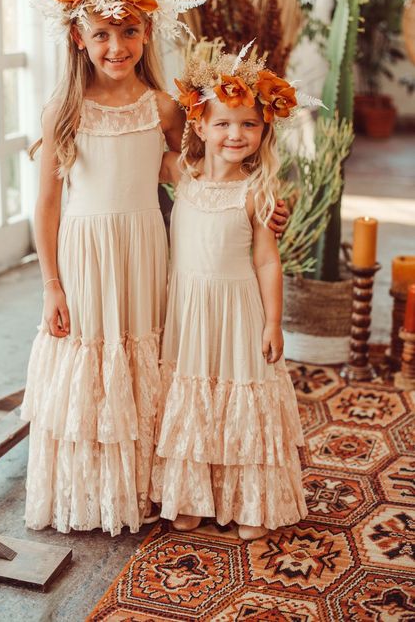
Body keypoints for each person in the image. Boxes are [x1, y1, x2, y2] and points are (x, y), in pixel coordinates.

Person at [21, 0, 288, 537]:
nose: (117, 46)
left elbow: (201, 172)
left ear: (146, 35)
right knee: (93, 361)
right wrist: (51, 284)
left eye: (129, 32)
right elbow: (45, 205)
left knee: (148, 359)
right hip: (86, 256)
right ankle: (94, 493)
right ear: (79, 38)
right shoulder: (62, 112)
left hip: (145, 252)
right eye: (102, 34)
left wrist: (259, 201)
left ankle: (153, 485)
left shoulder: (165, 107)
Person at [151, 47, 307, 540]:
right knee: (196, 393)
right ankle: (193, 494)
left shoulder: (257, 190)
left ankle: (252, 502)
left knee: (243, 397)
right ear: (199, 126)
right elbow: (130, 137)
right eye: (222, 123)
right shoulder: (181, 174)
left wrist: (273, 321)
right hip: (191, 310)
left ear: (264, 132)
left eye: (248, 125)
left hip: (239, 311)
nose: (235, 135)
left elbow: (266, 259)